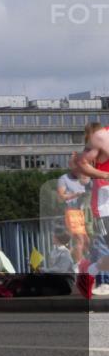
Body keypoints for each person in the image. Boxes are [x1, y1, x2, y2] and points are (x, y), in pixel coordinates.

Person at [75, 122, 109, 295]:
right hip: (105, 205)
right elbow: (80, 162)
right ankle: (104, 280)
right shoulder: (102, 137)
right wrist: (104, 175)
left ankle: (89, 271)